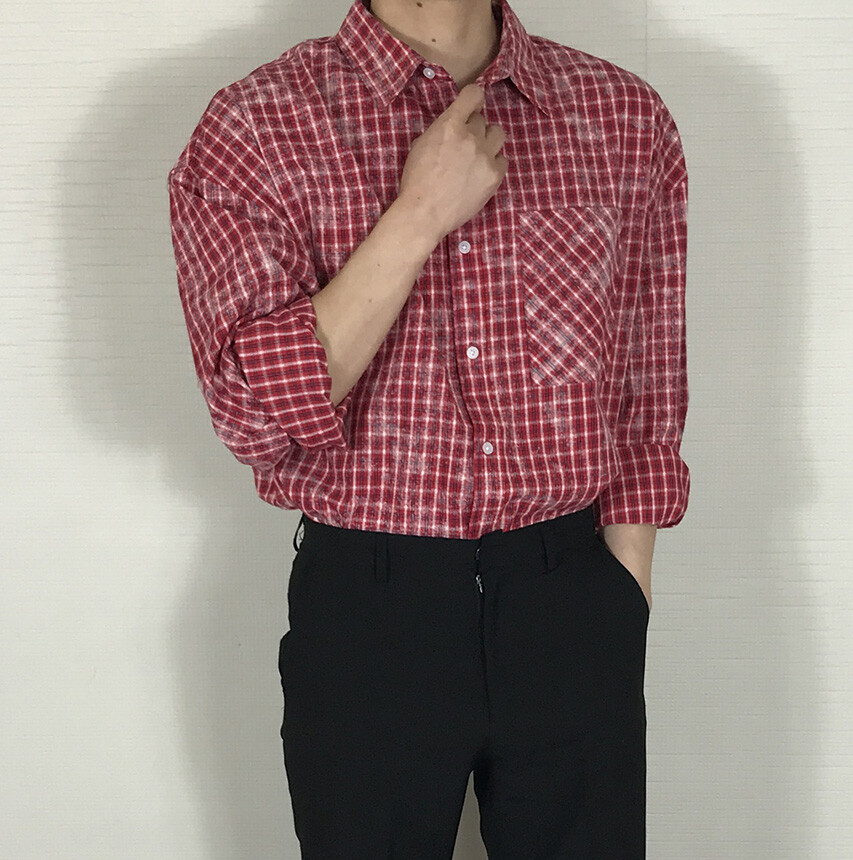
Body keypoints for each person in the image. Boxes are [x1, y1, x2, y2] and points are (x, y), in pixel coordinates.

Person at [167, 0, 690, 855]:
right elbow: (252, 416)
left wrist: (622, 593)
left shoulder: (620, 116)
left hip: (569, 599)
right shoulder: (255, 125)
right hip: (371, 613)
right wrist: (418, 214)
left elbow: (646, 372)